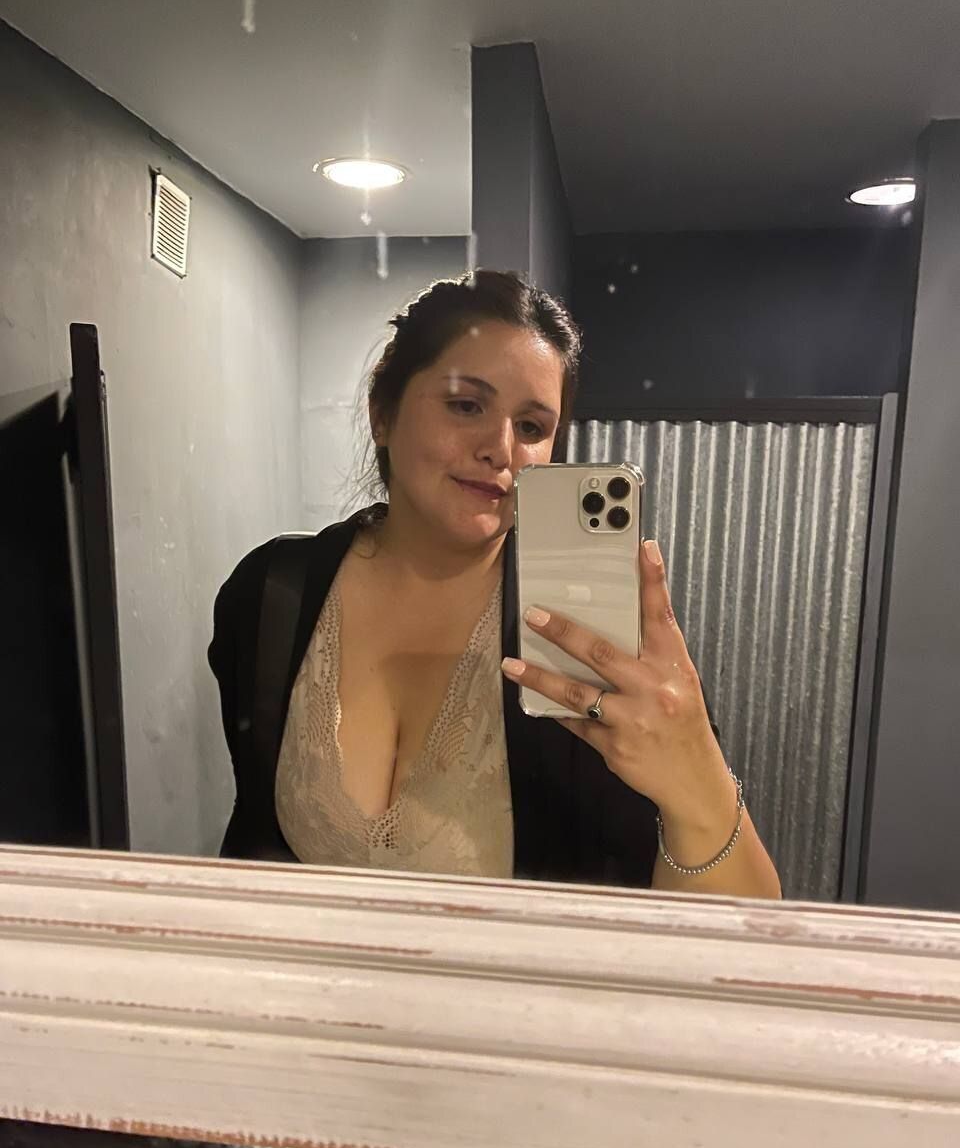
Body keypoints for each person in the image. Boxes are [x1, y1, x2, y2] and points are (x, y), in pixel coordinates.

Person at [208, 269, 781, 899]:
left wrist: (698, 782)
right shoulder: (271, 596)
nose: (500, 448)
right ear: (382, 413)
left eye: (532, 427)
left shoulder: (586, 639)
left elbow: (748, 915)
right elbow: (254, 837)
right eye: (466, 405)